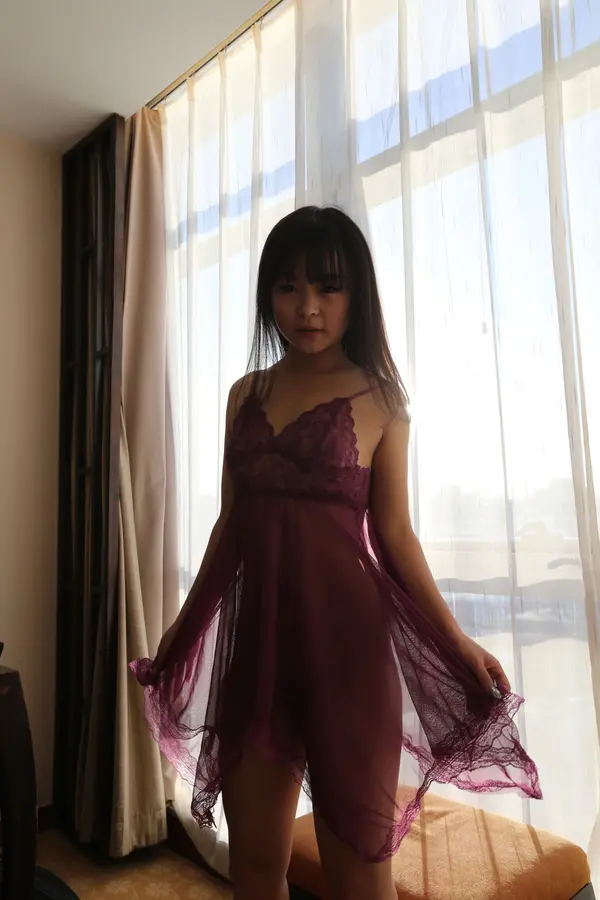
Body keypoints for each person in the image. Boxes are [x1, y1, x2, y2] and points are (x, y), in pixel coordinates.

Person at [131, 206, 540, 900]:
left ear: (357, 296)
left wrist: (456, 639)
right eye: (288, 287)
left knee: (360, 877)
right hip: (256, 654)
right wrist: (184, 626)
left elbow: (395, 535)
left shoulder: (383, 400)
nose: (308, 307)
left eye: (328, 286)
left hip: (350, 658)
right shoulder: (244, 395)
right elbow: (231, 524)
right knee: (254, 868)